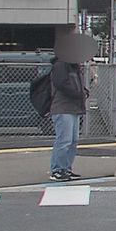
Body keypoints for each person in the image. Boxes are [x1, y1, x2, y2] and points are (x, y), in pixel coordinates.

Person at [50, 34, 92, 182]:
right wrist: (78, 93)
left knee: (72, 140)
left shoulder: (73, 66)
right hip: (63, 107)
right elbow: (62, 84)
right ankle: (57, 170)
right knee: (64, 140)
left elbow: (73, 84)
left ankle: (66, 168)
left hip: (73, 107)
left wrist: (83, 91)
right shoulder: (61, 64)